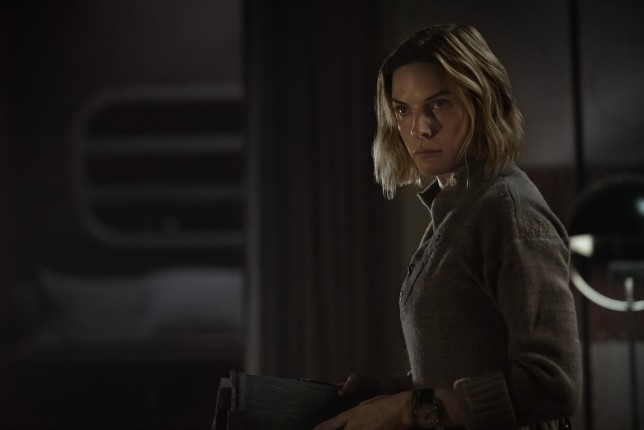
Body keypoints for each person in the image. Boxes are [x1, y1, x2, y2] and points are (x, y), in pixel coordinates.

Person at [314, 24, 582, 430]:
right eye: (403, 110)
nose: (420, 129)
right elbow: (469, 368)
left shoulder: (507, 211)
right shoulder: (459, 207)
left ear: (482, 101)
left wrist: (405, 410)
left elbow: (552, 385)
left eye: (439, 104)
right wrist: (397, 390)